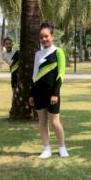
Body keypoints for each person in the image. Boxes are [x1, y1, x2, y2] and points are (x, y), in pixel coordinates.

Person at [28, 22, 68, 159]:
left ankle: (62, 147)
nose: (44, 39)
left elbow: (61, 74)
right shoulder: (38, 54)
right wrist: (31, 94)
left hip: (52, 94)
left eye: (46, 36)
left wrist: (55, 93)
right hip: (38, 93)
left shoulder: (58, 52)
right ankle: (46, 149)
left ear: (52, 36)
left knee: (55, 122)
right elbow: (34, 75)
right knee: (42, 121)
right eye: (41, 37)